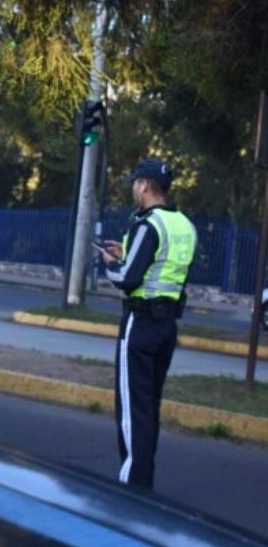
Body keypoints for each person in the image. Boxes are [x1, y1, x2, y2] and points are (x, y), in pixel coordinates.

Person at [100, 157, 197, 490]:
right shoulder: (184, 225)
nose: (133, 188)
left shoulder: (148, 224)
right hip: (167, 328)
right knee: (148, 407)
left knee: (131, 410)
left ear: (143, 184)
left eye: (134, 183)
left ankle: (131, 490)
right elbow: (163, 265)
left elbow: (128, 277)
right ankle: (144, 482)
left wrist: (111, 263)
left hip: (139, 325)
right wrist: (125, 248)